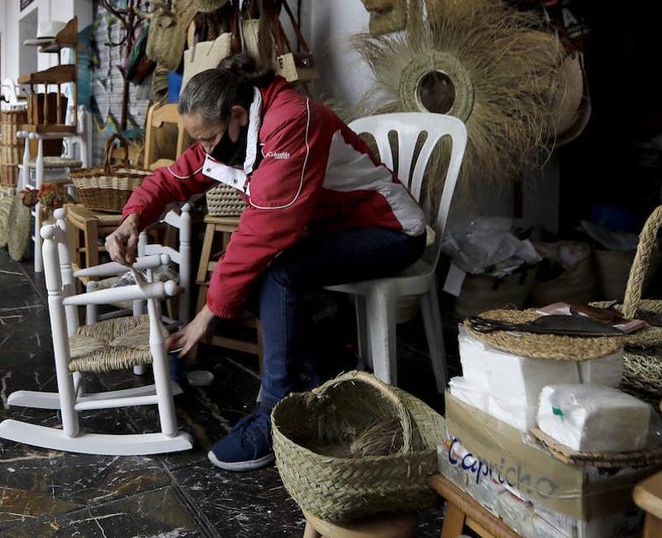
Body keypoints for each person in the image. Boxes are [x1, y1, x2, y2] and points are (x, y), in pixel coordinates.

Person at [105, 55, 427, 471]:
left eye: (207, 139)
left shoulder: (292, 119)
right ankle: (317, 382)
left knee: (277, 272)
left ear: (237, 115)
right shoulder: (234, 133)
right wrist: (133, 218)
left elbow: (264, 231)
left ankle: (278, 412)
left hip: (390, 230)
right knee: (252, 273)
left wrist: (206, 315)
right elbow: (174, 179)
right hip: (335, 230)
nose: (203, 149)